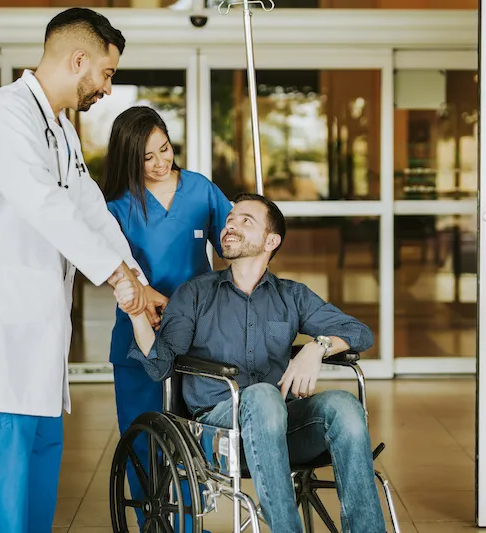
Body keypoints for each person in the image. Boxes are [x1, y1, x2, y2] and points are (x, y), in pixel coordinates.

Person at [114, 193, 387, 533]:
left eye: (246, 221)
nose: (231, 225)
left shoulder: (291, 295)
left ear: (271, 241)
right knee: (261, 395)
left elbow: (359, 332)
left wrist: (317, 347)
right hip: (217, 434)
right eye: (231, 219)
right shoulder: (195, 293)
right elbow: (160, 365)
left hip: (280, 427)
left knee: (343, 405)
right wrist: (138, 315)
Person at [0, 8, 153, 533]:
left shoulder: (61, 130)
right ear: (79, 59)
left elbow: (89, 207)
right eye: (107, 75)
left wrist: (137, 278)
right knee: (10, 480)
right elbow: (46, 206)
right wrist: (116, 277)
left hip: (42, 341)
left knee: (40, 470)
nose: (107, 89)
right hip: (10, 336)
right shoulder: (8, 116)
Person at [102, 105, 232, 529]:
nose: (162, 163)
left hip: (198, 338)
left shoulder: (199, 190)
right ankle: (152, 526)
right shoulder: (117, 207)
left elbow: (230, 242)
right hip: (138, 337)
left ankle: (189, 524)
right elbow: (109, 269)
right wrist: (139, 294)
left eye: (166, 149)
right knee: (143, 442)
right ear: (128, 158)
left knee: (193, 445)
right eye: (148, 157)